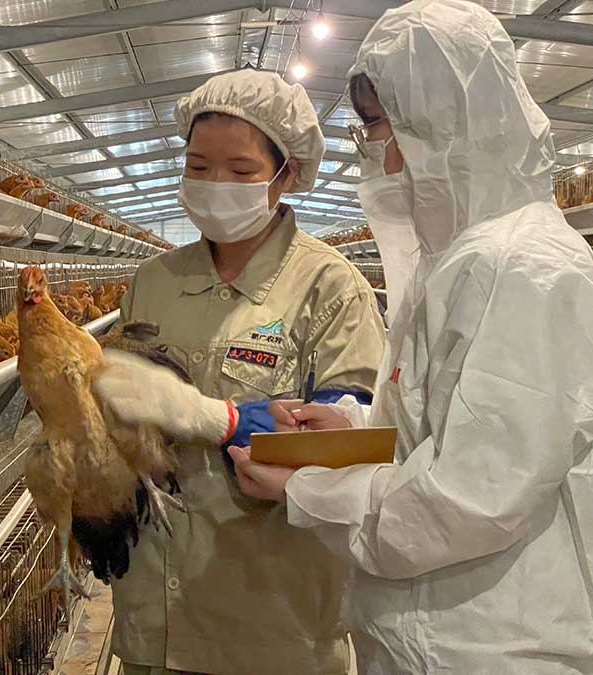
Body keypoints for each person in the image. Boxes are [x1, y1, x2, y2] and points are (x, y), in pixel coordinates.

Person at [97, 2, 593, 673]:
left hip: (474, 641)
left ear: (441, 125)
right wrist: (351, 425)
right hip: (392, 628)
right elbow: (425, 428)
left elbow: (476, 495)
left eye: (382, 128)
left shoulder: (525, 271)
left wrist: (301, 481)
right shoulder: (459, 264)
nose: (378, 152)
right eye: (199, 165)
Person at [97, 69, 386, 675]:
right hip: (154, 618)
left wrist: (225, 420)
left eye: (240, 170)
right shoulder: (153, 281)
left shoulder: (331, 288)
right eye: (198, 166)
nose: (215, 185)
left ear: (287, 174)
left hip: (272, 625)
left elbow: (352, 443)